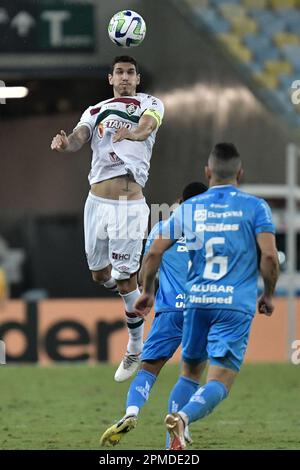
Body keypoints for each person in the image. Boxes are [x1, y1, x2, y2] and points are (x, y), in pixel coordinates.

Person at [135, 143, 279, 450]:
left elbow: (154, 253)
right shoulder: (255, 207)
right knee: (220, 380)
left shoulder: (188, 208)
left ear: (207, 172)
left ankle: (171, 446)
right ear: (240, 173)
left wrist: (147, 291)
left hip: (197, 303)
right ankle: (184, 418)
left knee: (189, 373)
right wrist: (268, 294)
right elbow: (269, 257)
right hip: (234, 304)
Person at [51, 56, 164, 381]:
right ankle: (135, 295)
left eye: (130, 73)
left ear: (138, 79)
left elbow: (146, 128)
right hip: (96, 202)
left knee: (125, 276)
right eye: (119, 73)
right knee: (100, 275)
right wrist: (64, 144)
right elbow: (78, 137)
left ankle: (135, 345)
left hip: (128, 204)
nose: (125, 77)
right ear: (110, 78)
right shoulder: (95, 110)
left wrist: (133, 133)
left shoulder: (149, 104)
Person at [99, 181, 208, 448]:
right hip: (203, 310)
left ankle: (131, 413)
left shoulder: (163, 228)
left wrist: (144, 291)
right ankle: (178, 428)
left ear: (180, 202)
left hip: (170, 310)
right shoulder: (216, 231)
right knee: (192, 373)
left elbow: (148, 263)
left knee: (148, 370)